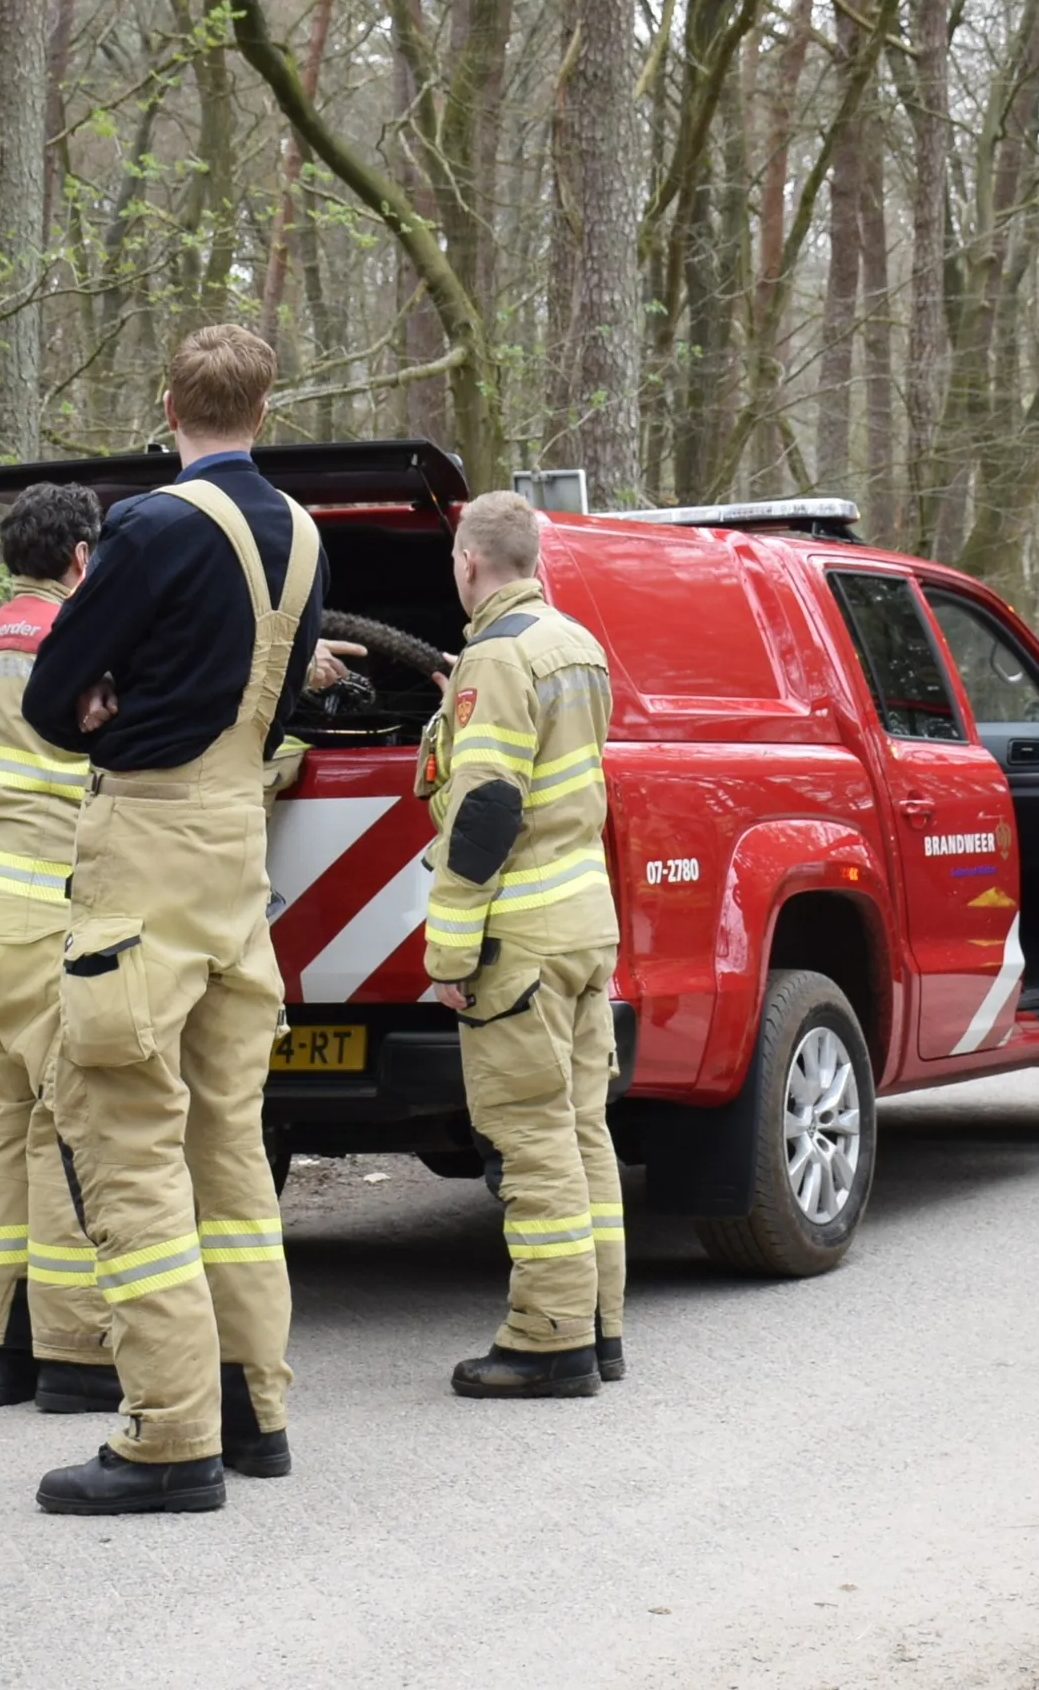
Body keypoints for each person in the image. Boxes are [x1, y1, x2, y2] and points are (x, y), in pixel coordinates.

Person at [19, 325, 351, 1514]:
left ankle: (169, 1436)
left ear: (169, 405)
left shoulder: (154, 528)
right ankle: (255, 1407)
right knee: (229, 1148)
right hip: (234, 862)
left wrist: (103, 709)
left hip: (147, 847)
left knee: (127, 1139)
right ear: (268, 406)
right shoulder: (306, 536)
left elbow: (56, 692)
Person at [416, 491, 627, 1398]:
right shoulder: (576, 646)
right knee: (583, 1133)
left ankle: (547, 1339)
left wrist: (449, 954)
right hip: (584, 928)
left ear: (469, 563)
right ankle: (600, 1325)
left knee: (531, 1138)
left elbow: (488, 810)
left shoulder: (495, 658)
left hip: (523, 943)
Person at [0, 485, 120, 1411]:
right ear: (83, 557)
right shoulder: (73, 638)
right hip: (49, 915)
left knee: (5, 1129)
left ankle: (0, 1349)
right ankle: (76, 1354)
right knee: (71, 1125)